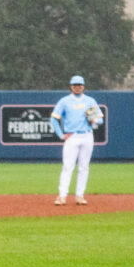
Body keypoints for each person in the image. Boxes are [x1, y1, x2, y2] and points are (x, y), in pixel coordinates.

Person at [49, 75, 103, 206]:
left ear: (83, 86)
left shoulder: (89, 101)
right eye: (75, 85)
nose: (77, 87)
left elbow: (100, 120)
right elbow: (54, 118)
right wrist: (61, 135)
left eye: (79, 85)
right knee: (68, 167)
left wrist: (93, 119)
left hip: (87, 135)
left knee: (84, 167)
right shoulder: (65, 101)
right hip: (72, 136)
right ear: (71, 86)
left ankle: (80, 196)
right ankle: (62, 196)